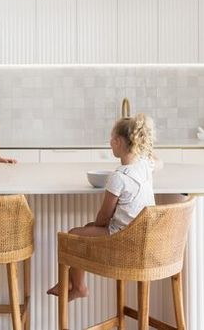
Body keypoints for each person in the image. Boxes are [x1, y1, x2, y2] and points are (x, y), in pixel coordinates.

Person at [47, 113, 159, 301]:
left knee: (75, 234)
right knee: (86, 229)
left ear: (119, 143)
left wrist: (94, 225)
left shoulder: (119, 177)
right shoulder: (146, 165)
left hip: (122, 239)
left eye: (112, 139)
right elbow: (156, 160)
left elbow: (103, 217)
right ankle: (71, 283)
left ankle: (78, 287)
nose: (110, 143)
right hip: (143, 238)